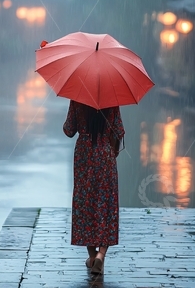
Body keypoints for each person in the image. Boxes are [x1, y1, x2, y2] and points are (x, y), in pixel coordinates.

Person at [63, 100, 124, 275]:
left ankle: (92, 256)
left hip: (84, 153)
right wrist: (114, 151)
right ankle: (100, 255)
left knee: (86, 204)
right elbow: (118, 132)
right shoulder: (112, 100)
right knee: (107, 205)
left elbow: (68, 130)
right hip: (105, 152)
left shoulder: (78, 98)